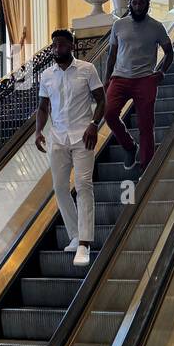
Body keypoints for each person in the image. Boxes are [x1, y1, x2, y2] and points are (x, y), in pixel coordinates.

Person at [35, 29, 105, 268]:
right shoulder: (46, 75)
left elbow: (102, 99)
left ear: (71, 47)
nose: (56, 49)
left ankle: (85, 243)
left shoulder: (87, 69)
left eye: (61, 45)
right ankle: (75, 235)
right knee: (59, 188)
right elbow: (43, 107)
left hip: (83, 136)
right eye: (54, 46)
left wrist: (95, 125)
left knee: (84, 185)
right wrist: (38, 131)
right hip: (58, 138)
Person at [103, 0, 174, 171]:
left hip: (145, 79)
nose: (138, 6)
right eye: (134, 3)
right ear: (130, 4)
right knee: (109, 113)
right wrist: (106, 79)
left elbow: (170, 52)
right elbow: (112, 54)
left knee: (146, 124)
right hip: (119, 78)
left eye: (141, 3)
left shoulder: (157, 27)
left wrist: (162, 72)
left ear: (147, 4)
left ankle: (146, 167)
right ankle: (129, 146)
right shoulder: (119, 25)